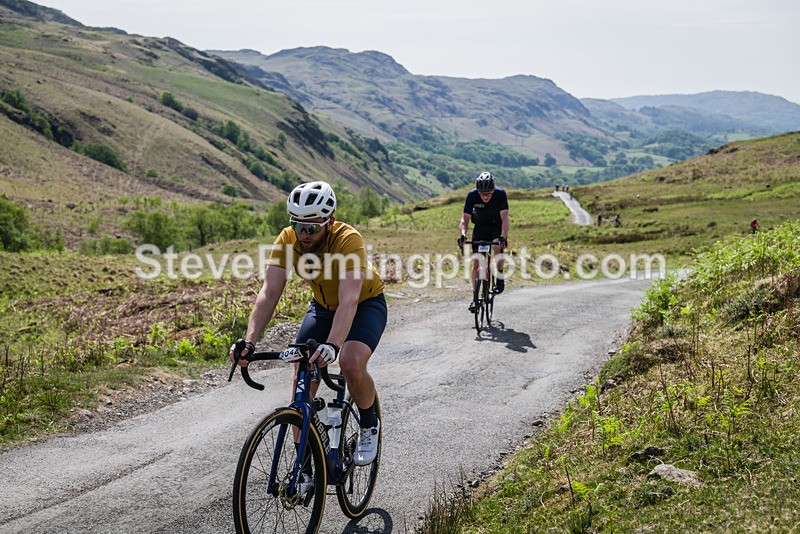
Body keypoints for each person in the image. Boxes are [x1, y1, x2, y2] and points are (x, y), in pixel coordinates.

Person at [231, 181, 387, 467]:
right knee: (303, 373)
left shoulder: (348, 240)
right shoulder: (288, 240)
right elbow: (269, 292)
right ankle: (303, 462)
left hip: (365, 304)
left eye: (312, 227)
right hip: (323, 308)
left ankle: (368, 423)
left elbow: (350, 299)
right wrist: (250, 340)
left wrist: (333, 345)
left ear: (330, 221)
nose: (303, 234)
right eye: (298, 225)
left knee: (351, 362)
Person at [458, 171, 509, 311]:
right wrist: (463, 235)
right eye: (482, 193)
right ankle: (475, 298)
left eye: (488, 193)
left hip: (496, 227)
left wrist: (503, 237)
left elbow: (505, 218)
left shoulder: (500, 195)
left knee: (497, 248)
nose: (485, 196)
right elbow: (465, 219)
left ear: (493, 189)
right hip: (480, 228)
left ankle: (499, 273)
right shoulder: (472, 195)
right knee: (476, 263)